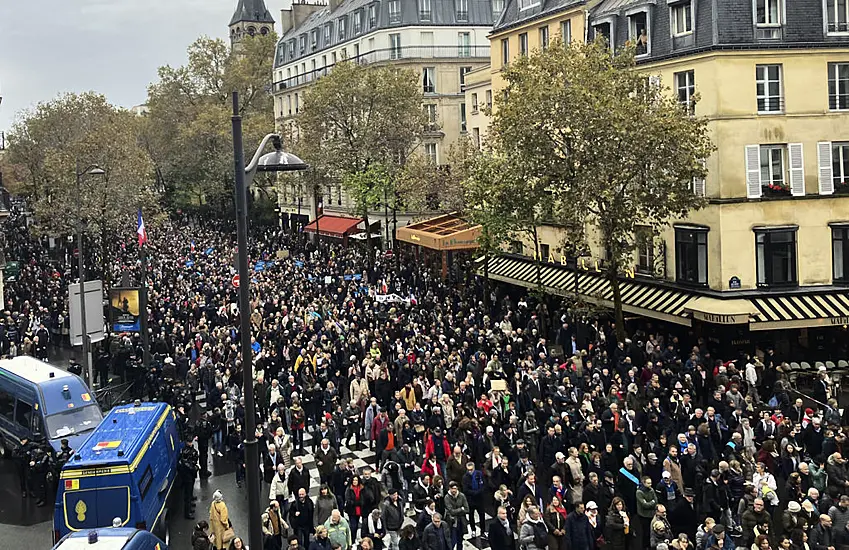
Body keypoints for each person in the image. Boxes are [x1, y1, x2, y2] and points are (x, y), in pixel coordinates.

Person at [444, 481, 469, 549]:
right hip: (452, 522)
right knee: (452, 541)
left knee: (460, 540)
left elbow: (467, 509)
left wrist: (457, 511)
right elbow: (451, 511)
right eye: (452, 488)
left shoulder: (462, 496)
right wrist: (461, 509)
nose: (454, 490)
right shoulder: (447, 497)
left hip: (461, 521)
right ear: (449, 488)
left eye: (455, 488)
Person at [179, 442, 199, 519]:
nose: (190, 443)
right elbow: (188, 466)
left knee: (189, 492)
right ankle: (187, 513)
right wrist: (195, 468)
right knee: (187, 495)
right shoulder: (185, 454)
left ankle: (190, 506)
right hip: (187, 477)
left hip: (190, 476)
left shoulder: (189, 451)